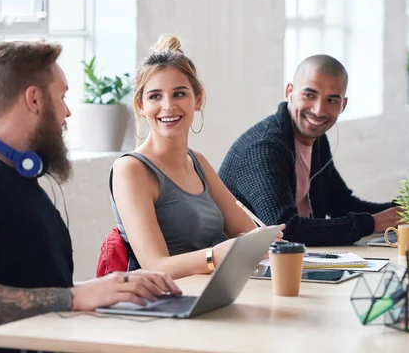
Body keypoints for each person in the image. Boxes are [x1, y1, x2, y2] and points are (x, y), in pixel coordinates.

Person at [0, 41, 181, 353]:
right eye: (62, 97)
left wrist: (108, 289)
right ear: (34, 99)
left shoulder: (15, 176)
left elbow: (34, 290)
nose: (67, 111)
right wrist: (75, 297)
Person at [110, 34, 284, 280]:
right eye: (155, 96)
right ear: (140, 106)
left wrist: (263, 239)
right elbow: (155, 266)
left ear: (198, 99)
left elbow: (247, 233)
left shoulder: (198, 162)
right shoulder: (130, 169)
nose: (168, 106)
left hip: (210, 294)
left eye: (179, 94)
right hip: (161, 303)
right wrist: (218, 254)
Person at [218, 54, 401, 246]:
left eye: (331, 100)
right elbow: (286, 230)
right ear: (289, 91)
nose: (319, 110)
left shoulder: (317, 140)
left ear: (343, 105)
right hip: (246, 267)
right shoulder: (264, 147)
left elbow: (341, 204)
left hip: (291, 260)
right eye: (309, 95)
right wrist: (372, 223)